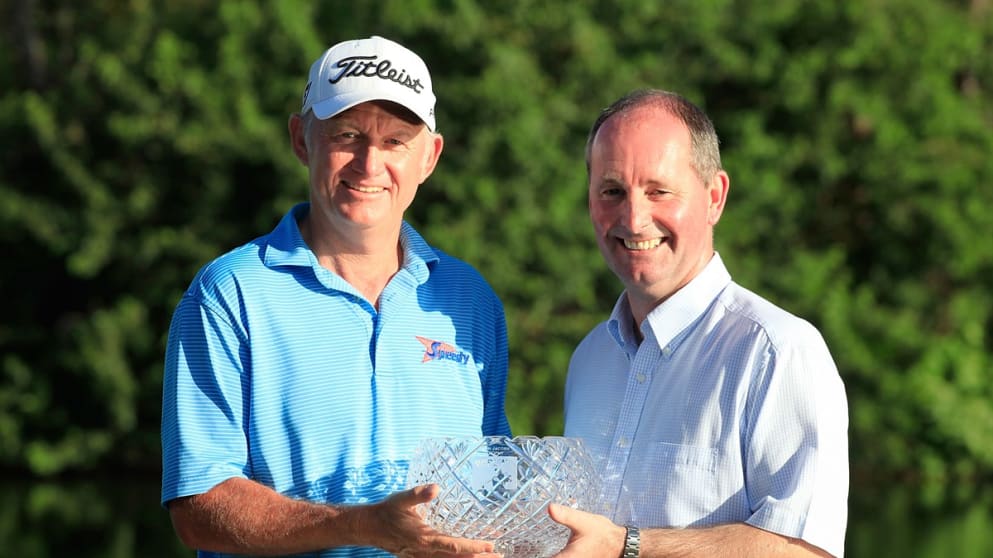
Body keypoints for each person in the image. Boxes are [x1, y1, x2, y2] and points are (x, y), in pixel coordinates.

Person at [160, 36, 511, 558]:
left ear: (430, 157)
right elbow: (199, 503)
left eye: (396, 141)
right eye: (348, 135)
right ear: (302, 140)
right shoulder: (228, 293)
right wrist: (362, 525)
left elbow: (494, 480)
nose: (370, 164)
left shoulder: (470, 300)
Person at [548, 89, 849, 557]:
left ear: (714, 197)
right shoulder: (590, 358)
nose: (634, 217)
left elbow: (807, 550)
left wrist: (626, 546)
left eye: (658, 191)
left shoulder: (778, 352)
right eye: (612, 191)